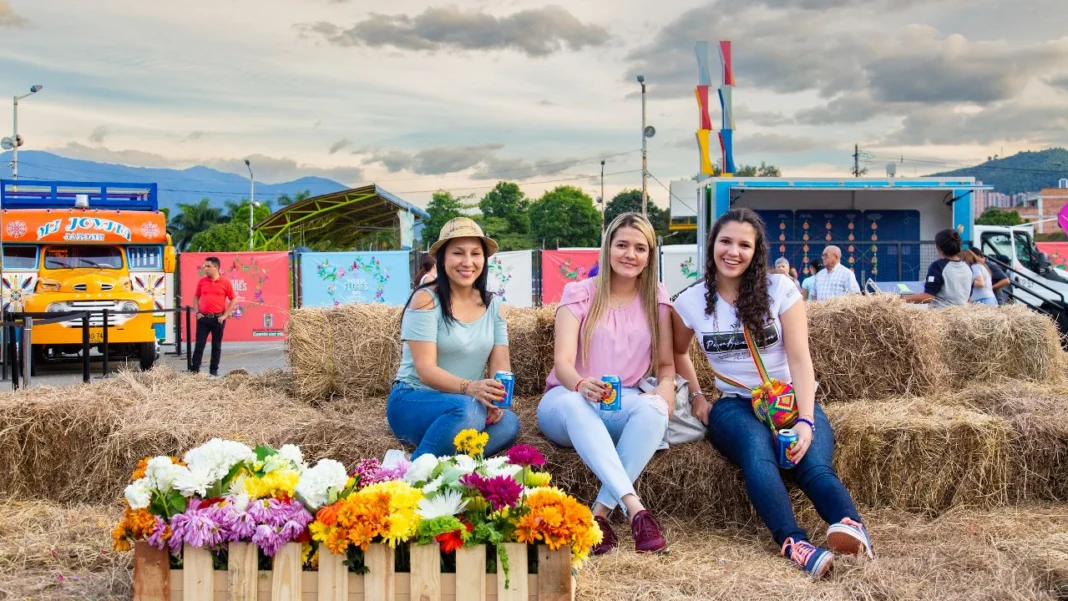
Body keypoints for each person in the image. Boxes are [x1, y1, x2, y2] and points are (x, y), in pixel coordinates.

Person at [671, 208, 873, 578]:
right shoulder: (690, 301)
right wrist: (697, 395)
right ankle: (794, 542)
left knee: (810, 462)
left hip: (786, 399)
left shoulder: (780, 289)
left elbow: (799, 358)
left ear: (756, 251)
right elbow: (678, 352)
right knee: (756, 449)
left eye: (744, 245)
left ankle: (850, 526)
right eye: (725, 241)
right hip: (734, 405)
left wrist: (806, 421)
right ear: (712, 245)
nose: (733, 251)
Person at [538, 212, 673, 555]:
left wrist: (667, 387)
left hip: (620, 404)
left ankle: (598, 515)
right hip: (566, 400)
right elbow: (562, 363)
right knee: (575, 404)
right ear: (607, 248)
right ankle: (636, 509)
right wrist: (581, 384)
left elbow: (667, 364)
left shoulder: (657, 298)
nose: (630, 254)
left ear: (650, 256)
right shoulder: (579, 293)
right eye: (622, 245)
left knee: (653, 409)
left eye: (640, 248)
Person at [386, 217, 520, 459]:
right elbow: (425, 370)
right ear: (443, 258)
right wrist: (471, 388)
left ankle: (444, 462)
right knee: (469, 411)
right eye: (458, 253)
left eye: (475, 254)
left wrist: (495, 401)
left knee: (508, 423)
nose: (467, 262)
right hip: (414, 399)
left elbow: (501, 368)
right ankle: (413, 470)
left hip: (466, 405)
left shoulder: (494, 305)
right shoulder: (426, 299)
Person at [190, 257, 238, 377]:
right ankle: (194, 371)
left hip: (218, 319)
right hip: (203, 319)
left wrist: (225, 315)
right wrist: (197, 313)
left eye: (208, 266)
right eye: (204, 266)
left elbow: (233, 299)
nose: (205, 268)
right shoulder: (202, 281)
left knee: (216, 346)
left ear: (216, 267)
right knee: (199, 345)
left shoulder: (225, 282)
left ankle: (213, 371)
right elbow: (196, 297)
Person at [904, 229, 972, 308]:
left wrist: (900, 298)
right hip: (962, 312)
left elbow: (928, 297)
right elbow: (968, 297)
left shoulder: (938, 266)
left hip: (942, 313)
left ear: (938, 247)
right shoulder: (967, 267)